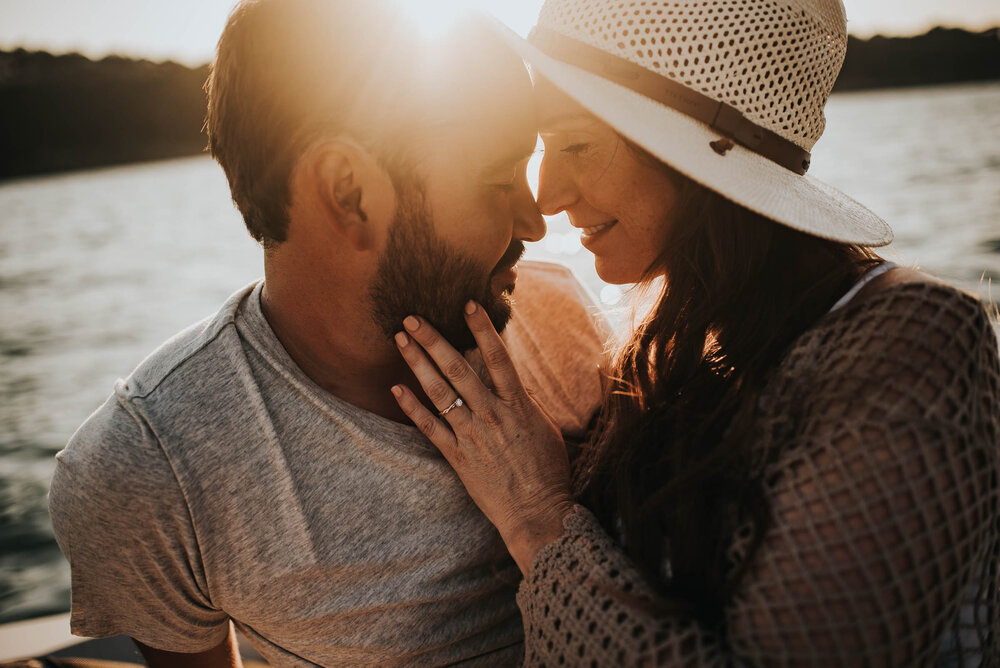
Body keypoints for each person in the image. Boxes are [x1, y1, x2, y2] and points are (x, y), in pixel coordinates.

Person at [390, 0, 1000, 664]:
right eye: (544, 147)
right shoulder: (678, 342)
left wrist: (536, 517)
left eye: (578, 144)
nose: (546, 195)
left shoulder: (918, 343)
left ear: (693, 159)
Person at [47, 1, 610, 666]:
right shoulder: (148, 472)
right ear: (349, 193)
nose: (535, 221)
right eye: (497, 179)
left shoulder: (555, 314)